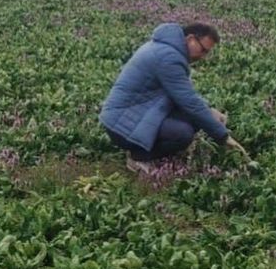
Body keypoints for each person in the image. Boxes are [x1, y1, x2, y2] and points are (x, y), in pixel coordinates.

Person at [99, 22, 249, 173]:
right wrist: (223, 137)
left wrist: (209, 112)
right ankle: (138, 157)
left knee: (195, 119)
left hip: (132, 113)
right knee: (182, 134)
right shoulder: (168, 58)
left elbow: (183, 93)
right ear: (190, 39)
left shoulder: (165, 48)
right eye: (203, 50)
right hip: (121, 125)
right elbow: (188, 101)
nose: (203, 57)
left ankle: (147, 148)